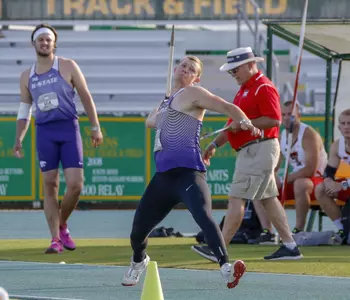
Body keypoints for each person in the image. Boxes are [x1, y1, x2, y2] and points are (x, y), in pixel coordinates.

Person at [121, 55, 261, 289]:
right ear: (175, 68)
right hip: (164, 178)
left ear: (197, 78)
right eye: (183, 66)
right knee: (137, 233)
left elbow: (225, 106)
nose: (185, 70)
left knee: (204, 216)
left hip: (189, 173)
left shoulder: (194, 94)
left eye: (191, 69)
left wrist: (243, 119)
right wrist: (166, 102)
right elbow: (149, 122)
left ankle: (226, 268)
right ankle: (139, 261)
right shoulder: (169, 100)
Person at [191, 47, 303, 261]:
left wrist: (243, 125)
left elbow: (274, 120)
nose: (234, 74)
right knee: (268, 199)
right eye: (231, 71)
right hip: (255, 149)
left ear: (251, 64)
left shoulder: (263, 87)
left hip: (259, 148)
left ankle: (219, 249)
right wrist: (216, 142)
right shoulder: (245, 90)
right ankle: (290, 246)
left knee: (237, 197)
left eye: (236, 69)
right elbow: (233, 123)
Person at [13, 24, 103, 254]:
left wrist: (95, 127)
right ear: (33, 43)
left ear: (54, 43)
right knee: (50, 185)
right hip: (45, 132)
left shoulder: (67, 66)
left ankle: (62, 224)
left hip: (68, 128)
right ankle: (55, 239)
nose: (44, 43)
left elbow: (85, 95)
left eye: (48, 40)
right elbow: (25, 111)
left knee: (75, 185)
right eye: (40, 39)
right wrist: (19, 139)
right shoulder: (27, 76)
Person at [249, 100, 328, 244]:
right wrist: (268, 176)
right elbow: (276, 163)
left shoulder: (308, 134)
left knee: (301, 184)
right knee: (260, 188)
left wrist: (286, 179)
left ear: (299, 115)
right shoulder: (283, 135)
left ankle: (298, 230)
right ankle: (268, 232)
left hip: (317, 180)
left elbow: (310, 170)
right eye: (283, 115)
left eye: (290, 115)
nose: (286, 118)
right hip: (296, 179)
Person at [315, 108, 350, 244]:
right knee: (321, 188)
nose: (347, 127)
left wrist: (342, 185)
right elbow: (329, 171)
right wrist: (329, 181)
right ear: (339, 127)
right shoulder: (337, 145)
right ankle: (343, 230)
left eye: (349, 123)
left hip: (347, 184)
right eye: (343, 124)